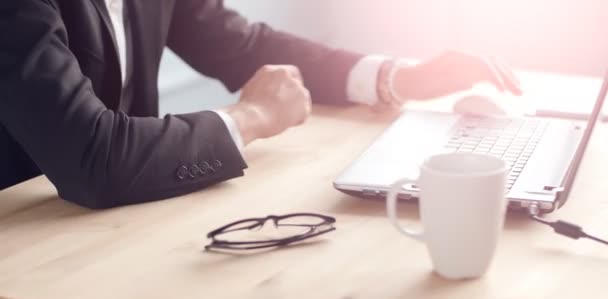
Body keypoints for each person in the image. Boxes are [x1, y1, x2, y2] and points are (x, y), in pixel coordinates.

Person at [0, 1, 521, 209]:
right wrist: (248, 119)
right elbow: (92, 159)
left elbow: (241, 45)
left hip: (105, 225)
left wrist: (396, 77)